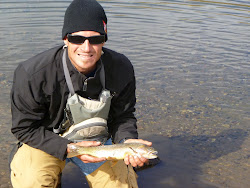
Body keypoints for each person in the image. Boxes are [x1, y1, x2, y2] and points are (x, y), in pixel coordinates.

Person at [10, 0, 152, 187]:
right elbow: (24, 128)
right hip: (47, 141)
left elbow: (123, 116)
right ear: (65, 39)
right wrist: (68, 148)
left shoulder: (121, 67)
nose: (86, 48)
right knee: (31, 181)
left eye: (95, 39)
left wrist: (126, 140)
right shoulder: (32, 74)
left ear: (104, 39)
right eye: (77, 39)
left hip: (99, 143)